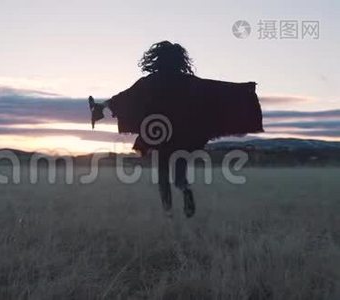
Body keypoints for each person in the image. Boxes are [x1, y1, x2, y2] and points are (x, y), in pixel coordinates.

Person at [89, 41, 263, 218]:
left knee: (163, 175)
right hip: (183, 137)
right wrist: (244, 90)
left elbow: (124, 98)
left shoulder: (149, 82)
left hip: (158, 135)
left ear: (157, 59)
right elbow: (216, 90)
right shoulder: (189, 82)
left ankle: (168, 211)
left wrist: (101, 106)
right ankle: (185, 190)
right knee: (179, 175)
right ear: (180, 60)